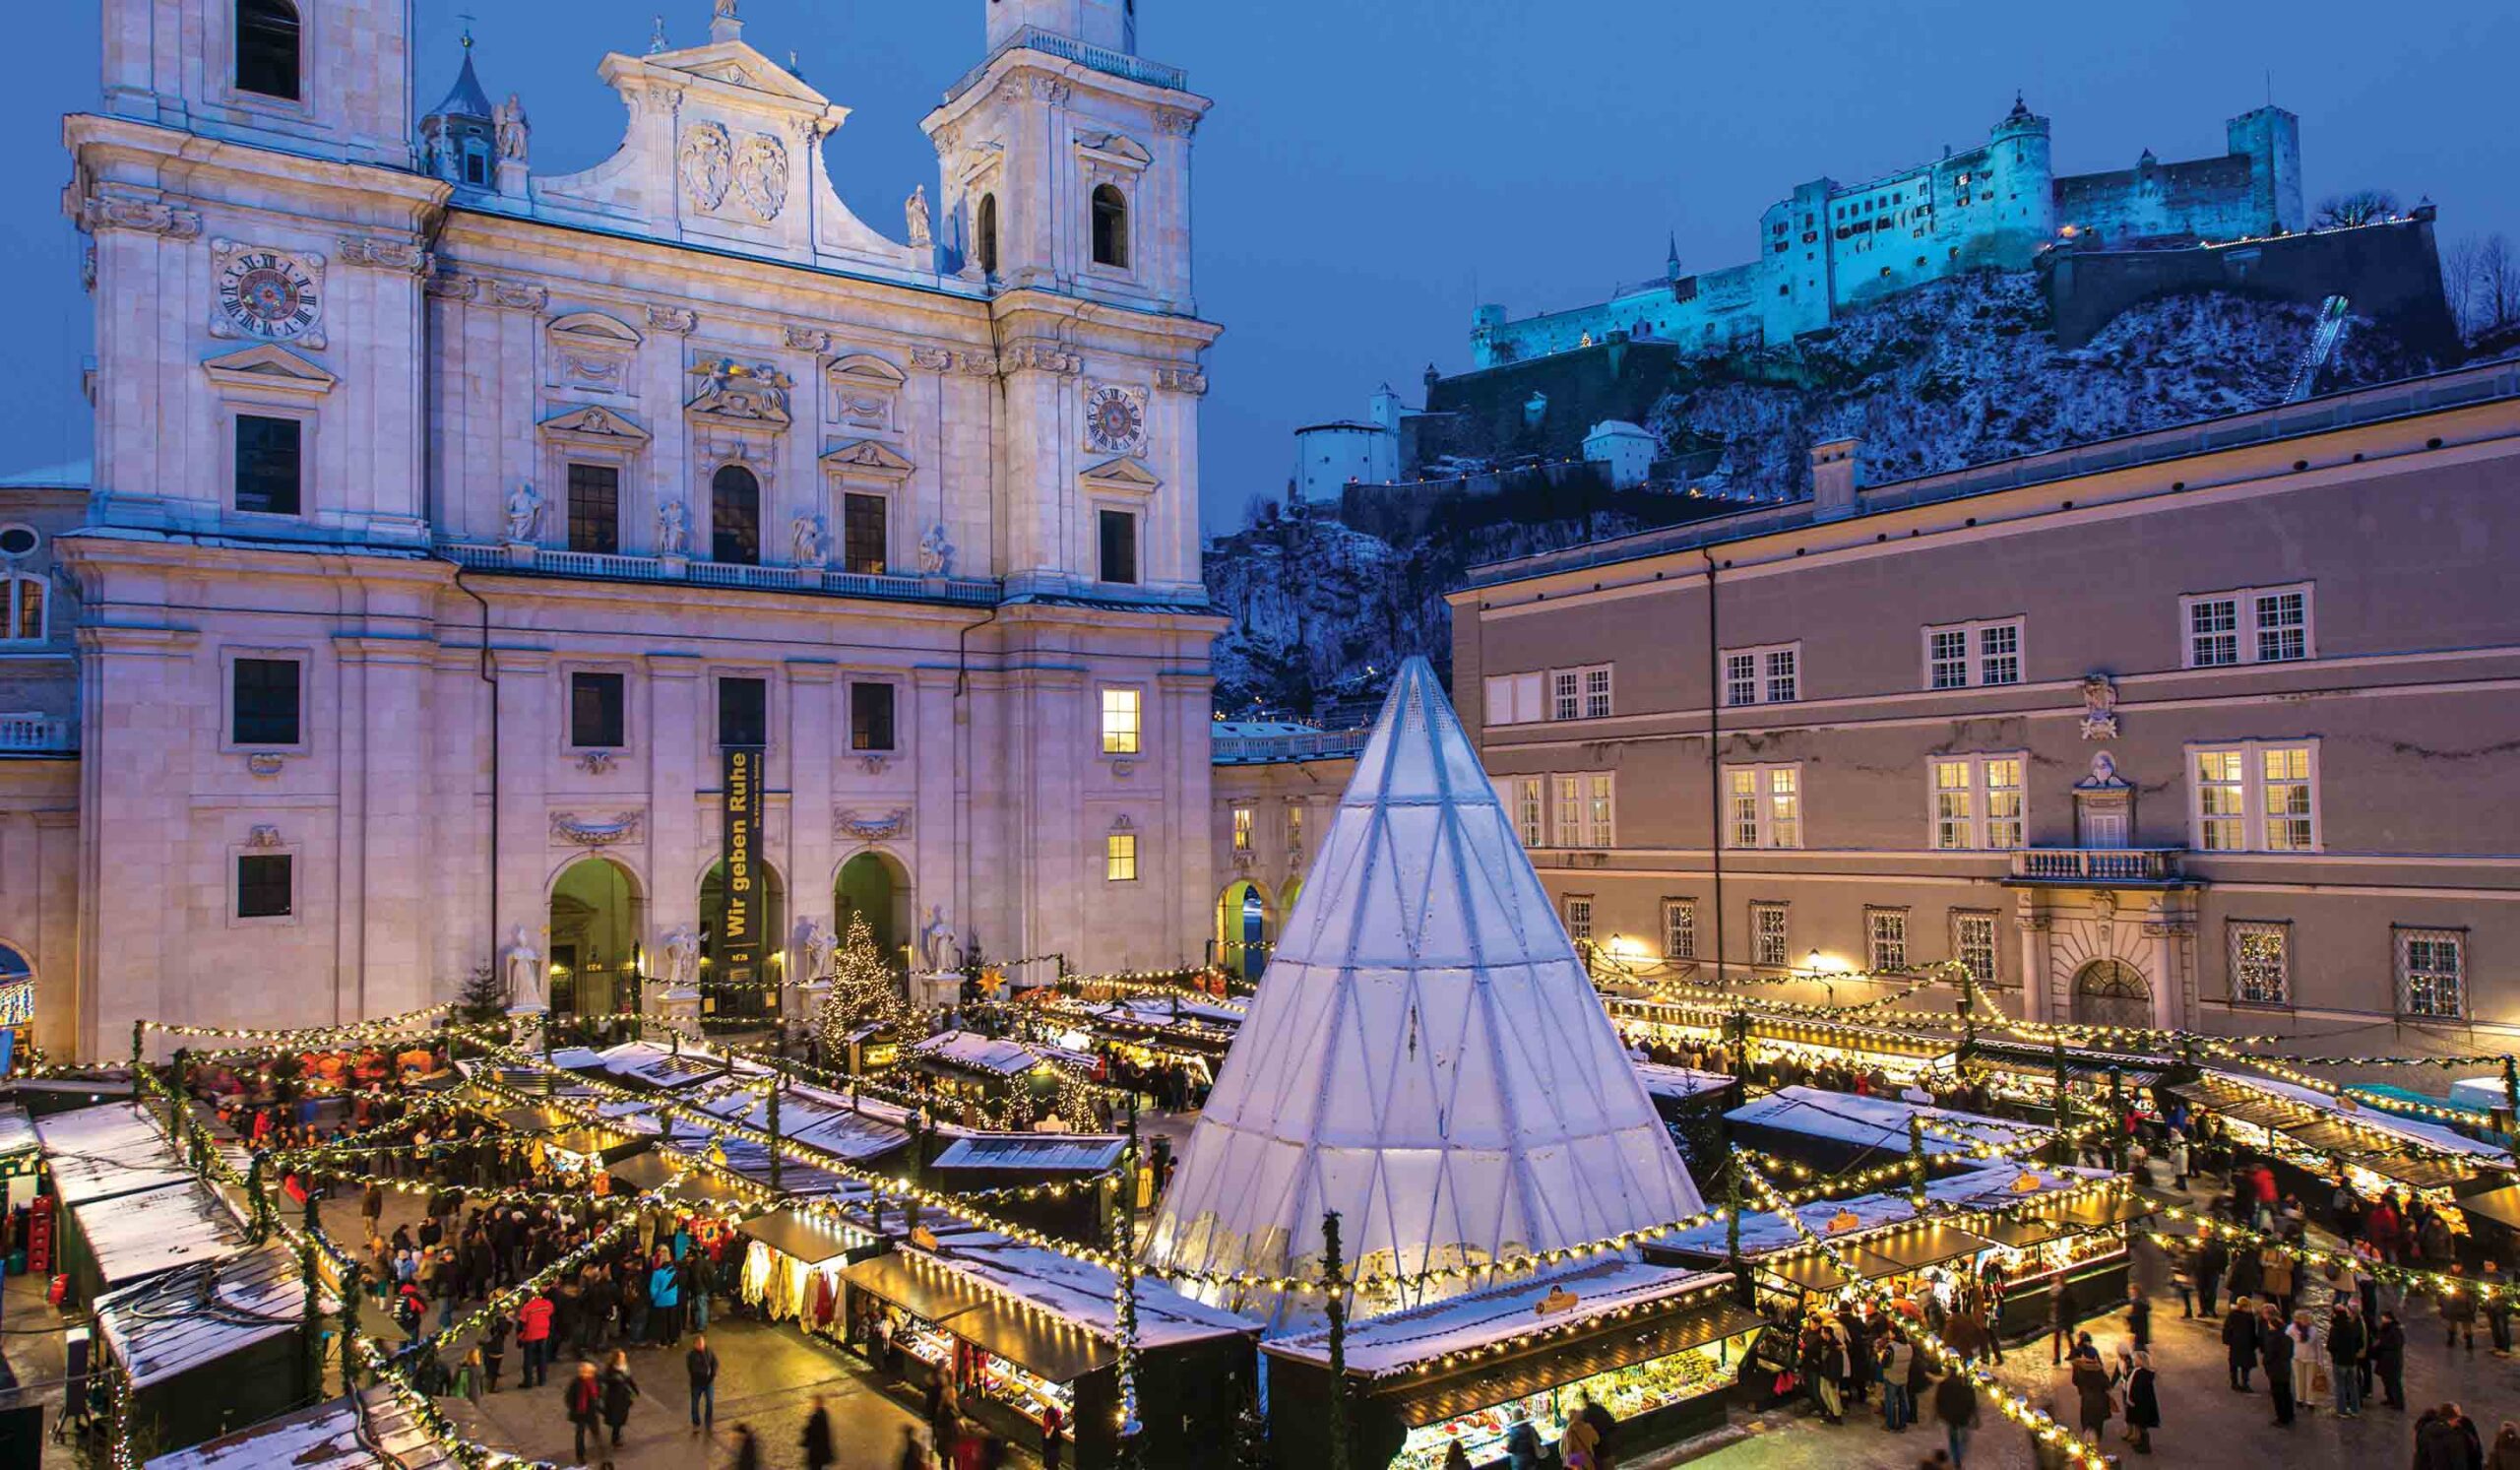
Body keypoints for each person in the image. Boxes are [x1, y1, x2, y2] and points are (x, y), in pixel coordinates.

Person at [1932, 1369, 1979, 1469]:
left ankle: (1957, 1459)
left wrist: (1939, 1413)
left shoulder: (1944, 1384)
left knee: (1953, 1439)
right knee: (1964, 1438)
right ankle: (1959, 1457)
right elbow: (1972, 1402)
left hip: (1951, 1418)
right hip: (1963, 1417)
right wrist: (1974, 1416)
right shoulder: (1966, 1385)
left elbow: (1939, 1401)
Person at [2327, 1300, 2364, 1419]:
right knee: (2353, 1386)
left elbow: (2331, 1346)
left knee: (2340, 1386)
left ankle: (2342, 1410)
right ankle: (2355, 1410)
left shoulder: (2335, 1329)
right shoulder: (2352, 1327)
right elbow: (2360, 1343)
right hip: (2352, 1361)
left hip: (2339, 1361)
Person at [2260, 1304, 2295, 1427]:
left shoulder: (2273, 1338)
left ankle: (2282, 1418)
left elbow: (2269, 1354)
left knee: (2278, 1395)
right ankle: (2290, 1414)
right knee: (2286, 1392)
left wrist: (2266, 1363)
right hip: (2285, 1367)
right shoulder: (2287, 1333)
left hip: (2276, 1369)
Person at [565, 1362, 604, 1464]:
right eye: (589, 1372)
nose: (591, 1374)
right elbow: (569, 1398)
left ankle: (601, 1450)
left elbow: (598, 1391)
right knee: (580, 1435)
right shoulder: (576, 1383)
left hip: (591, 1411)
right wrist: (574, 1408)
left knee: (596, 1432)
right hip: (580, 1413)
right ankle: (580, 1455)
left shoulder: (595, 1380)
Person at [2071, 1350, 2112, 1443]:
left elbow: (2075, 1381)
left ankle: (2088, 1436)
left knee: (2087, 1418)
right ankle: (2097, 1436)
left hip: (2087, 1399)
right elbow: (2107, 1384)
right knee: (2098, 1420)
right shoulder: (2099, 1370)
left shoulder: (2081, 1370)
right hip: (2099, 1399)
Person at [516, 1288, 554, 1388]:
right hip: (543, 1334)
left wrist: (519, 1337)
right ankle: (542, 1379)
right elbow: (550, 1314)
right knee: (542, 1357)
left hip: (531, 1335)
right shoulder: (547, 1304)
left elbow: (521, 1323)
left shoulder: (527, 1307)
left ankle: (528, 1382)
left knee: (528, 1359)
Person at [2122, 1349, 2159, 1455]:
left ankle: (2145, 1447)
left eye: (2136, 1359)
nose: (2134, 1361)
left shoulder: (2141, 1373)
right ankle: (2141, 1444)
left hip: (2140, 1404)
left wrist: (2133, 1399)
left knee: (2142, 1425)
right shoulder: (2143, 1372)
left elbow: (2138, 1389)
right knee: (2141, 1425)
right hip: (2141, 1403)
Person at [600, 1348, 639, 1448]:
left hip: (623, 1396)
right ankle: (615, 1439)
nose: (624, 1358)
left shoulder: (625, 1368)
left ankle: (616, 1435)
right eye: (622, 1357)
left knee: (621, 1417)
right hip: (614, 1397)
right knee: (616, 1418)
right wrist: (614, 1379)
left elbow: (629, 1379)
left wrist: (635, 1389)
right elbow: (604, 1380)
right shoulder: (610, 1369)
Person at [2372, 1310, 2408, 1410]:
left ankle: (2398, 1403)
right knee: (2387, 1380)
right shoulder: (2386, 1328)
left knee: (2394, 1381)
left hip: (2392, 1361)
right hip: (2385, 1360)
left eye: (2383, 1317)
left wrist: (2381, 1344)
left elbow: (2394, 1344)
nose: (2382, 1319)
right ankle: (2390, 1398)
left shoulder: (2395, 1330)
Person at [2285, 1310, 2317, 1416]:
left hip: (2311, 1358)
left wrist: (2320, 1361)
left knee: (2310, 1380)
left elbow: (2317, 1346)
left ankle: (2310, 1401)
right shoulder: (2292, 1329)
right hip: (2297, 1357)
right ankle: (2300, 1398)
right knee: (2299, 1379)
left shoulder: (2312, 1330)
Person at [1576, 1388, 1617, 1470]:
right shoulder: (1600, 1408)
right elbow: (1612, 1424)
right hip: (1607, 1448)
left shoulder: (1584, 1415)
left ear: (1582, 1400)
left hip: (1596, 1453)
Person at [687, 1334, 720, 1431]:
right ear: (695, 1345)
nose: (702, 1345)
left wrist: (712, 1374)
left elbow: (715, 1362)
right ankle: (696, 1423)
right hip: (697, 1384)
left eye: (703, 1342)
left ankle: (708, 1421)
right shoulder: (691, 1356)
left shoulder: (709, 1351)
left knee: (710, 1401)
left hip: (708, 1383)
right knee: (695, 1404)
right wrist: (706, 1372)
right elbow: (693, 1369)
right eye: (700, 1343)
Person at [2442, 1267, 2480, 1351]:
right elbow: (2442, 1288)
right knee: (2452, 1323)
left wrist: (2470, 1301)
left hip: (2464, 1304)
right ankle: (2451, 1340)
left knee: (2466, 1324)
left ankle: (2469, 1343)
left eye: (2457, 1266)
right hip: (2452, 1303)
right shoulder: (2448, 1275)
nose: (2456, 1268)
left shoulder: (2467, 1277)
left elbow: (2472, 1291)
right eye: (2454, 1266)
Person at [803, 1394, 836, 1470]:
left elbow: (812, 1431)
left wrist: (806, 1431)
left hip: (816, 1450)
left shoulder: (817, 1416)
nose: (813, 1404)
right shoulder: (823, 1413)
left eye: (815, 1402)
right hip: (820, 1449)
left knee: (815, 1466)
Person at [1040, 1401, 1065, 1470]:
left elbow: (1047, 1439)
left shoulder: (1049, 1426)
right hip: (1053, 1453)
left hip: (1050, 1453)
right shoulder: (1056, 1425)